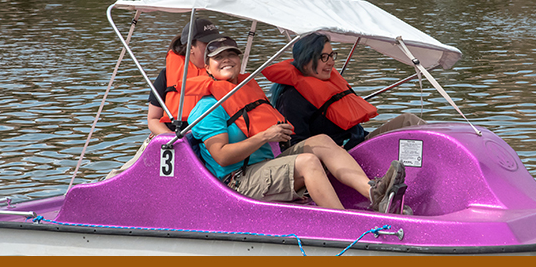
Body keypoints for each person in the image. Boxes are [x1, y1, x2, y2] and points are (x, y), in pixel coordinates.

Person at [184, 35, 405, 212]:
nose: (227, 60)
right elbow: (222, 156)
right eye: (218, 57)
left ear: (240, 61)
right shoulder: (209, 107)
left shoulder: (245, 92)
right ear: (207, 68)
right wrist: (265, 136)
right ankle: (342, 221)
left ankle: (373, 193)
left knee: (321, 141)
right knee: (307, 161)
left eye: (232, 55)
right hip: (237, 181)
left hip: (262, 167)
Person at [263, 33, 426, 152]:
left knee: (409, 121)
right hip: (346, 157)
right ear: (306, 62)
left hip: (362, 142)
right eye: (324, 57)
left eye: (332, 55)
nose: (332, 62)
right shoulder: (291, 98)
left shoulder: (328, 84)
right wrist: (329, 151)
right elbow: (295, 144)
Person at [105, 18, 223, 180]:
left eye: (215, 44)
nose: (213, 50)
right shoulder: (167, 75)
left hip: (205, 141)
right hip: (169, 139)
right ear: (191, 48)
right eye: (207, 45)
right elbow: (153, 120)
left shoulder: (223, 75)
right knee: (118, 177)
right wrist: (173, 140)